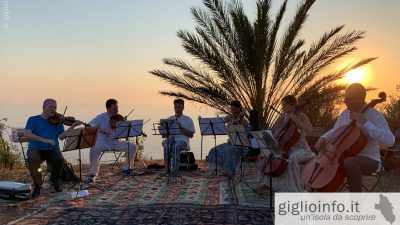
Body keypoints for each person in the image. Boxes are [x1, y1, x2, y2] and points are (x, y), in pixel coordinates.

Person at [314, 83, 395, 192]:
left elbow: (390, 140)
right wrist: (323, 138)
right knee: (326, 162)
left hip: (369, 159)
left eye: (348, 98)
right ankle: (318, 191)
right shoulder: (345, 113)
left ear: (360, 99)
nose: (345, 101)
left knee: (349, 162)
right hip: (343, 156)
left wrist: (365, 122)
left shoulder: (375, 115)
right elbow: (335, 130)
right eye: (345, 97)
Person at [23, 98, 82, 198]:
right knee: (33, 158)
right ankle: (38, 184)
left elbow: (61, 137)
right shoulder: (33, 119)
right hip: (36, 149)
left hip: (52, 150)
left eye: (55, 107)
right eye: (51, 107)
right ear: (44, 107)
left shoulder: (57, 121)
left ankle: (54, 181)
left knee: (58, 158)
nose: (53, 109)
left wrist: (72, 127)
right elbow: (27, 134)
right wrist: (44, 140)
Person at [258, 95, 315, 192]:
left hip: (302, 149)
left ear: (293, 105)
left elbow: (310, 129)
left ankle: (294, 189)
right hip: (286, 148)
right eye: (282, 105)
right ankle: (266, 184)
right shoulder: (283, 116)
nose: (282, 107)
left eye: (285, 105)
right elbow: (274, 131)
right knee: (267, 154)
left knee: (292, 159)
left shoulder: (302, 116)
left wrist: (296, 120)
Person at [86, 99, 137, 183]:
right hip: (103, 141)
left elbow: (122, 133)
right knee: (94, 148)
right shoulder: (101, 117)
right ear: (108, 108)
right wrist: (102, 130)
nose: (117, 110)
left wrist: (124, 125)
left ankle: (126, 169)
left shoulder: (119, 118)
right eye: (114, 109)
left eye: (117, 108)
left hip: (115, 142)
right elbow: (89, 125)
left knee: (132, 146)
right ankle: (93, 174)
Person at [207, 100, 249, 178]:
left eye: (234, 109)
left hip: (241, 144)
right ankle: (222, 170)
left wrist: (238, 120)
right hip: (231, 142)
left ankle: (230, 172)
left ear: (239, 108)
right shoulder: (231, 117)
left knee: (228, 150)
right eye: (231, 109)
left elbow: (243, 135)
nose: (232, 111)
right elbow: (219, 122)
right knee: (214, 150)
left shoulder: (244, 120)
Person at [161, 98, 195, 177]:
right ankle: (167, 170)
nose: (177, 109)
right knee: (166, 145)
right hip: (171, 139)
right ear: (174, 108)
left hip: (183, 141)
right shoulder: (169, 119)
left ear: (183, 108)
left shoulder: (188, 119)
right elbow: (163, 136)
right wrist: (163, 129)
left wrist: (181, 127)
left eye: (179, 107)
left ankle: (174, 172)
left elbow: (191, 135)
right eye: (176, 107)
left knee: (176, 146)